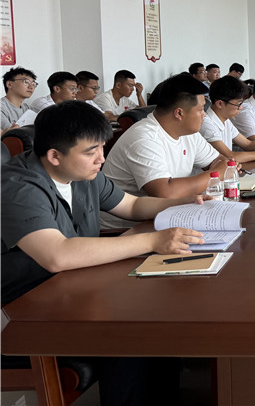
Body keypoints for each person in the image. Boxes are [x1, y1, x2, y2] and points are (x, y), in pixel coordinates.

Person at [1, 100, 200, 404]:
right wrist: (152, 241)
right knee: (128, 332)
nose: (101, 159)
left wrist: (183, 204)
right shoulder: (19, 186)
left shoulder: (82, 174)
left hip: (73, 288)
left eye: (102, 148)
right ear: (54, 156)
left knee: (159, 314)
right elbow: (57, 255)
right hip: (20, 309)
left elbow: (132, 205)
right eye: (91, 152)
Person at [102, 74, 228, 227]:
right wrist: (216, 174)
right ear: (179, 113)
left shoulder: (189, 133)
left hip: (170, 216)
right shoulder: (144, 137)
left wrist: (219, 169)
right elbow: (165, 193)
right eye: (201, 110)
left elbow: (219, 161)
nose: (204, 115)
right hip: (128, 229)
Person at [200, 76, 255, 162]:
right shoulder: (207, 124)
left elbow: (248, 144)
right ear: (220, 104)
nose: (241, 108)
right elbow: (230, 156)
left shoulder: (226, 120)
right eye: (238, 104)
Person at [1, 66, 37, 133]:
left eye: (33, 84)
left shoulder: (27, 108)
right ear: (9, 84)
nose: (31, 87)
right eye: (26, 82)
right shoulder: (2, 107)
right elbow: (12, 135)